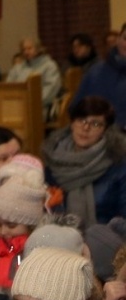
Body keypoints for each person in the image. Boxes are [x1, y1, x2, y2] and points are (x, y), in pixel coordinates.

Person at [43, 96, 126, 226]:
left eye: (95, 124)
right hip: (58, 234)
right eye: (81, 120)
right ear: (72, 123)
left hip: (108, 236)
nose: (85, 128)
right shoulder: (54, 160)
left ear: (105, 130)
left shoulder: (118, 165)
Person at [72, 23, 126, 129]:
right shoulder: (95, 72)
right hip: (96, 133)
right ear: (118, 39)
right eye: (125, 39)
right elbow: (77, 108)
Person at [6, 36, 62, 119]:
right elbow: (8, 88)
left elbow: (50, 90)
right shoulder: (18, 68)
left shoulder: (49, 66)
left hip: (40, 108)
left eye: (29, 48)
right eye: (24, 49)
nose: (26, 52)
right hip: (16, 106)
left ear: (38, 49)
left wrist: (30, 102)